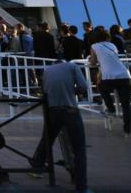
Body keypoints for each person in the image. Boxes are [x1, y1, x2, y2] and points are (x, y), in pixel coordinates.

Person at [28, 60, 88, 192]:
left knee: (47, 139)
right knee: (79, 148)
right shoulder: (73, 67)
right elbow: (83, 86)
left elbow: (44, 90)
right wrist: (74, 91)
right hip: (70, 109)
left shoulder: (47, 71)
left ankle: (37, 168)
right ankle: (81, 185)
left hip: (52, 110)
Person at [88, 30, 131, 136]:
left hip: (109, 77)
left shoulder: (94, 46)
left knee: (101, 87)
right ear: (107, 37)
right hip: (124, 76)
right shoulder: (112, 45)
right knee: (126, 105)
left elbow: (93, 62)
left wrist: (90, 59)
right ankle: (127, 130)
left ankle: (111, 108)